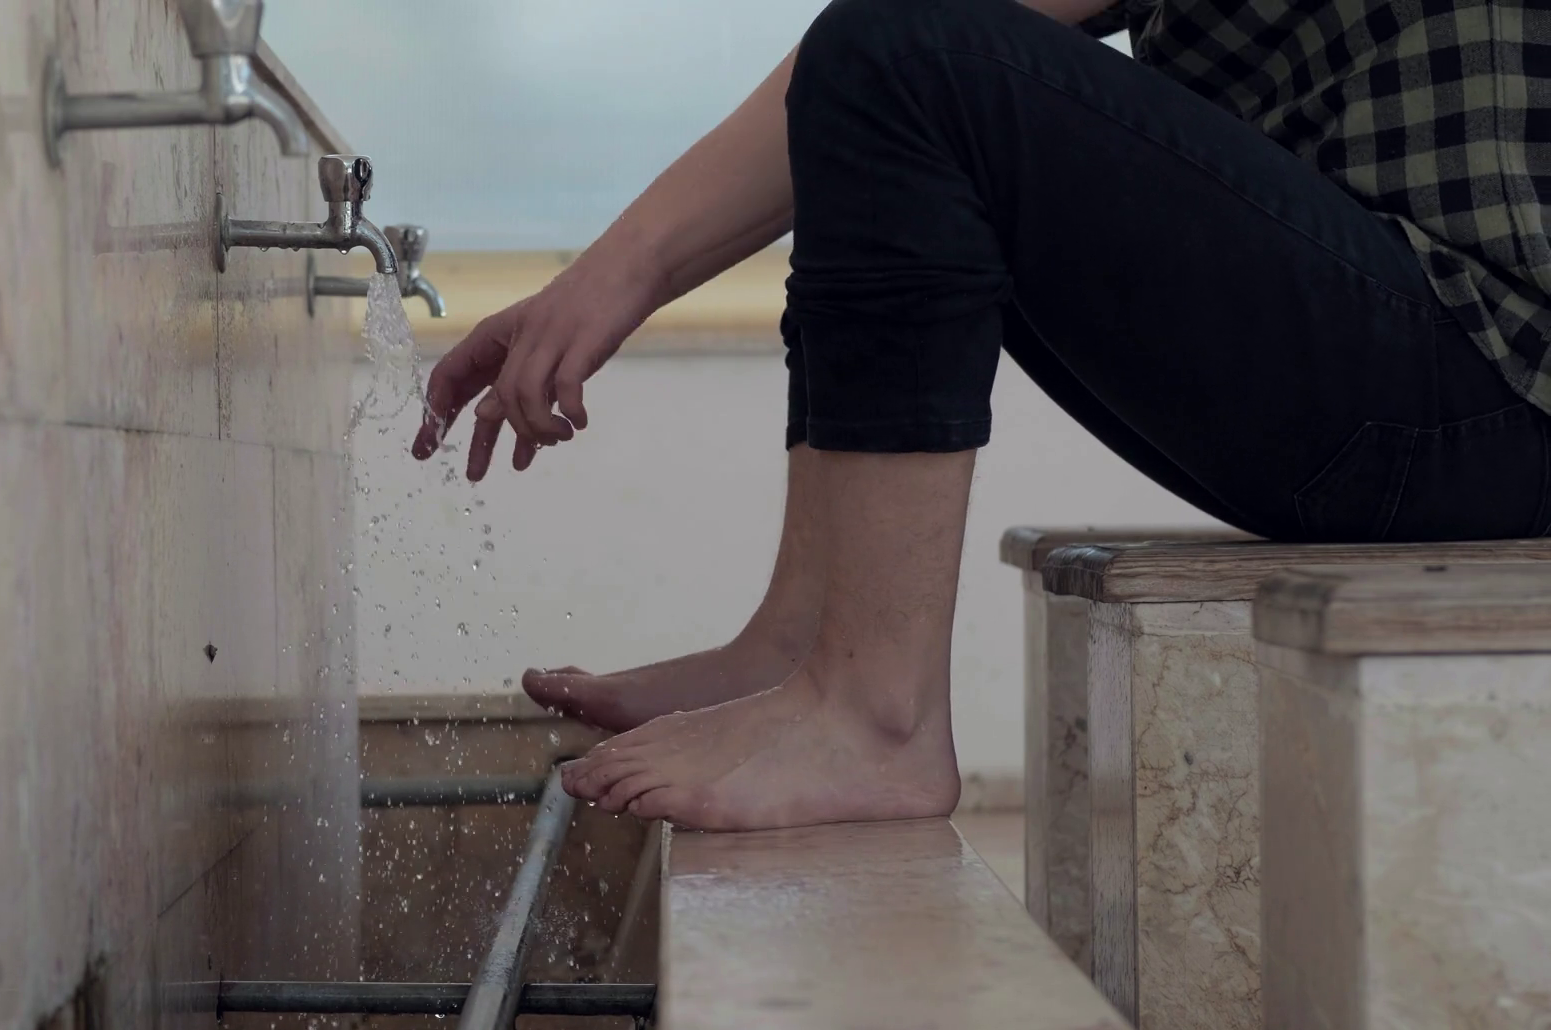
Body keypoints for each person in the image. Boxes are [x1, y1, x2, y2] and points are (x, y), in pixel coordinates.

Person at [409, 0, 1551, 830]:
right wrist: (608, 276)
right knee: (891, 85)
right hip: (1432, 381)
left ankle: (879, 718)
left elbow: (901, 54)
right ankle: (799, 649)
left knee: (900, 63)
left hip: (1492, 378)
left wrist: (619, 272)